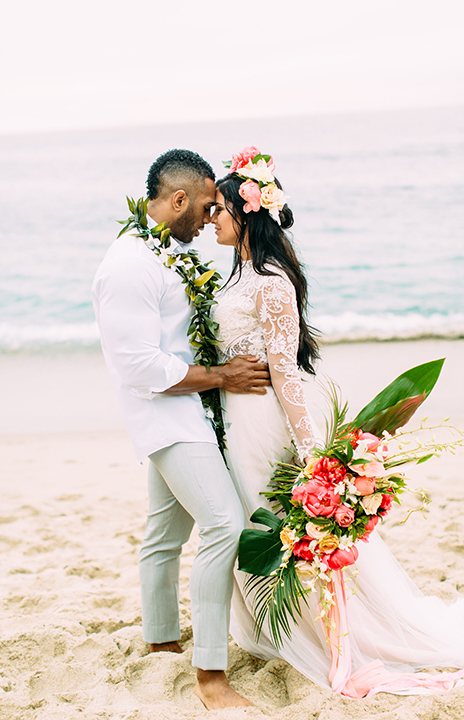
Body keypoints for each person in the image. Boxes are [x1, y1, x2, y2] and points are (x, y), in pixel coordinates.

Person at [210, 146, 464, 697]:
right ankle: (275, 629)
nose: (210, 218)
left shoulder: (270, 280)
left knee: (280, 523)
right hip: (237, 422)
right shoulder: (236, 272)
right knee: (254, 521)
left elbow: (286, 374)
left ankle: (328, 633)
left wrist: (315, 456)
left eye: (217, 207)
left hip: (265, 423)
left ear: (245, 210)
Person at [92, 149, 271, 710]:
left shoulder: (163, 252)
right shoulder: (129, 264)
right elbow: (138, 365)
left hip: (189, 411)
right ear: (177, 201)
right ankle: (210, 677)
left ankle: (162, 640)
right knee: (225, 523)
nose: (210, 216)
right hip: (165, 416)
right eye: (205, 206)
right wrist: (220, 376)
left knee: (164, 535)